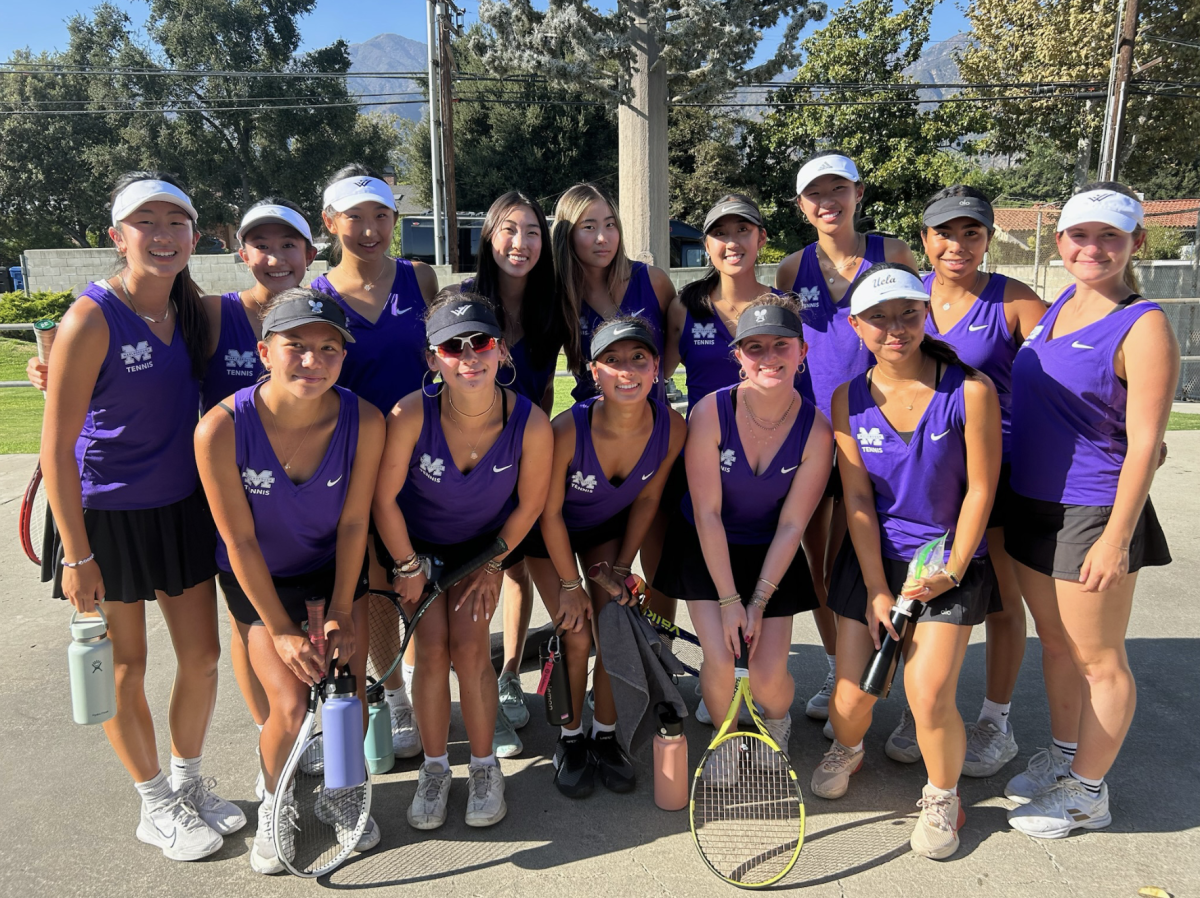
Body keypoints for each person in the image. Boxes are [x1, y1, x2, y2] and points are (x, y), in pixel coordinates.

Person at [40, 171, 243, 861]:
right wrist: (75, 554)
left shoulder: (192, 310)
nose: (162, 236)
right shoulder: (90, 317)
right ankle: (153, 803)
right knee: (128, 666)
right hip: (108, 519)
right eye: (145, 222)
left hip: (183, 506)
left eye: (175, 222)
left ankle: (186, 784)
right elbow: (56, 448)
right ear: (116, 236)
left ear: (193, 234)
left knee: (204, 658)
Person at [1003, 185, 1175, 839]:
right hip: (1032, 504)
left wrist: (1115, 537)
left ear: (1136, 243)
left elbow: (1147, 446)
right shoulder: (1056, 310)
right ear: (1061, 242)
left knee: (1100, 658)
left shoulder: (1144, 323)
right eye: (1080, 235)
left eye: (1110, 236)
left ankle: (1088, 794)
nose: (1093, 248)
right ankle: (1067, 756)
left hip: (1093, 511)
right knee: (1058, 646)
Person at [815, 263, 1001, 861]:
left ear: (927, 315)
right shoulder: (847, 399)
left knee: (928, 697)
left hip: (946, 564)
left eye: (908, 314)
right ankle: (851, 747)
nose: (894, 329)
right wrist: (875, 589)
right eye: (878, 318)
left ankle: (943, 794)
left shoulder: (970, 390)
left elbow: (979, 490)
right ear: (855, 326)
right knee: (849, 706)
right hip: (874, 562)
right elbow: (860, 501)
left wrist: (953, 566)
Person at [195, 289, 384, 873]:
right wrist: (279, 628)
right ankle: (275, 801)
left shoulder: (365, 419)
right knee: (292, 702)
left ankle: (344, 791)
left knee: (345, 689)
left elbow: (355, 522)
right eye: (295, 346)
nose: (312, 360)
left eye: (329, 348)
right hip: (261, 577)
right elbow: (240, 540)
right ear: (263, 351)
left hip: (333, 568)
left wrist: (345, 610)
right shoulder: (220, 429)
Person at [875, 186, 1047, 777]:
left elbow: (1073, 370)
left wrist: (1132, 431)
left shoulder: (1012, 299)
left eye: (972, 232)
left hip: (990, 473)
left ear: (988, 239)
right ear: (924, 239)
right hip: (923, 476)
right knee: (918, 590)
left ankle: (995, 718)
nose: (958, 244)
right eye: (945, 232)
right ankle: (922, 706)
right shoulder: (906, 296)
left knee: (999, 595)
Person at [372, 291, 552, 831]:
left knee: (471, 645)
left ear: (501, 351)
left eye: (482, 342)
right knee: (430, 650)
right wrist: (406, 567)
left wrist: (494, 565)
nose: (469, 355)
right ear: (432, 358)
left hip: (482, 549)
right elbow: (384, 501)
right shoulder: (409, 413)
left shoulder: (531, 422)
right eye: (452, 346)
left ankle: (483, 767)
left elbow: (531, 505)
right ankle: (433, 768)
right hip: (418, 551)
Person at [654, 294, 832, 761]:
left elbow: (793, 524)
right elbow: (708, 513)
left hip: (770, 550)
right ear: (738, 357)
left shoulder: (817, 431)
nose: (768, 357)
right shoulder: (710, 413)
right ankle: (727, 738)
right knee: (720, 658)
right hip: (707, 545)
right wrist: (730, 600)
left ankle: (776, 720)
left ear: (802, 352)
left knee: (769, 678)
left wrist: (757, 601)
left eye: (781, 345)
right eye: (755, 347)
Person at [775, 152, 920, 725]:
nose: (827, 201)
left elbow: (920, 325)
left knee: (898, 557)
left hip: (887, 428)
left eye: (838, 188)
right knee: (823, 563)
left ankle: (911, 689)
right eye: (815, 193)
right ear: (802, 206)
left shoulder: (894, 253)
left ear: (858, 192)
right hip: (818, 433)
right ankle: (841, 668)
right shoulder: (791, 269)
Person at [523, 316, 685, 798]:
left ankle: (606, 735)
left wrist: (619, 569)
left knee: (614, 619)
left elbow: (649, 501)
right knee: (574, 632)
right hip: (548, 534)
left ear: (657, 367)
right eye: (612, 360)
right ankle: (570, 738)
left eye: (639, 358)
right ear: (594, 372)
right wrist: (572, 587)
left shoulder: (671, 428)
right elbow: (548, 513)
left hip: (603, 531)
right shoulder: (567, 430)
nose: (627, 370)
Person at [311, 163, 439, 762]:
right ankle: (395, 695)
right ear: (330, 222)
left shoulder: (420, 276)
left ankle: (419, 680)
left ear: (395, 219)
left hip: (421, 460)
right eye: (354, 217)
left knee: (421, 581)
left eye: (381, 217)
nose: (369, 230)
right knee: (381, 585)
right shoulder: (317, 295)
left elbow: (448, 350)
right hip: (356, 465)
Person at [453, 191, 572, 757]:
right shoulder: (464, 301)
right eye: (508, 230)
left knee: (518, 570)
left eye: (530, 232)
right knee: (481, 576)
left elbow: (549, 388)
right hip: (468, 463)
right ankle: (481, 695)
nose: (520, 243)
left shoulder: (552, 308)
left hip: (525, 455)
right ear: (489, 238)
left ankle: (507, 680)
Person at [553, 182, 675, 403]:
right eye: (589, 227)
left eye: (610, 225)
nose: (603, 238)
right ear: (567, 235)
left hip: (654, 425)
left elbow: (678, 343)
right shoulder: (558, 297)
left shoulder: (653, 281)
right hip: (591, 428)